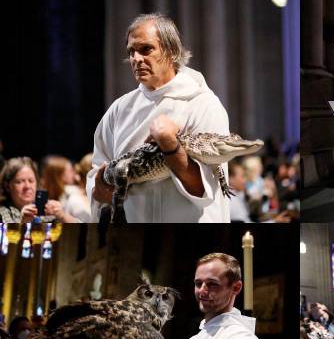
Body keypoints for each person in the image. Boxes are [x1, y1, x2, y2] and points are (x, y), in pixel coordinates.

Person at [87, 13, 230, 223]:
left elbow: (204, 187)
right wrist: (99, 191)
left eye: (146, 49)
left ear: (172, 51)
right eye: (131, 51)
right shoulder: (119, 110)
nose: (136, 59)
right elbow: (97, 173)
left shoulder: (203, 104)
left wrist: (170, 145)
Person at [0, 157, 78, 223]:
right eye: (19, 182)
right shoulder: (3, 212)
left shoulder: (45, 208)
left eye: (31, 181)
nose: (27, 186)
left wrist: (63, 216)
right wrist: (23, 222)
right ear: (7, 186)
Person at [41, 156, 92, 222]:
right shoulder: (70, 194)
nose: (74, 174)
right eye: (71, 171)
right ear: (59, 176)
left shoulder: (76, 191)